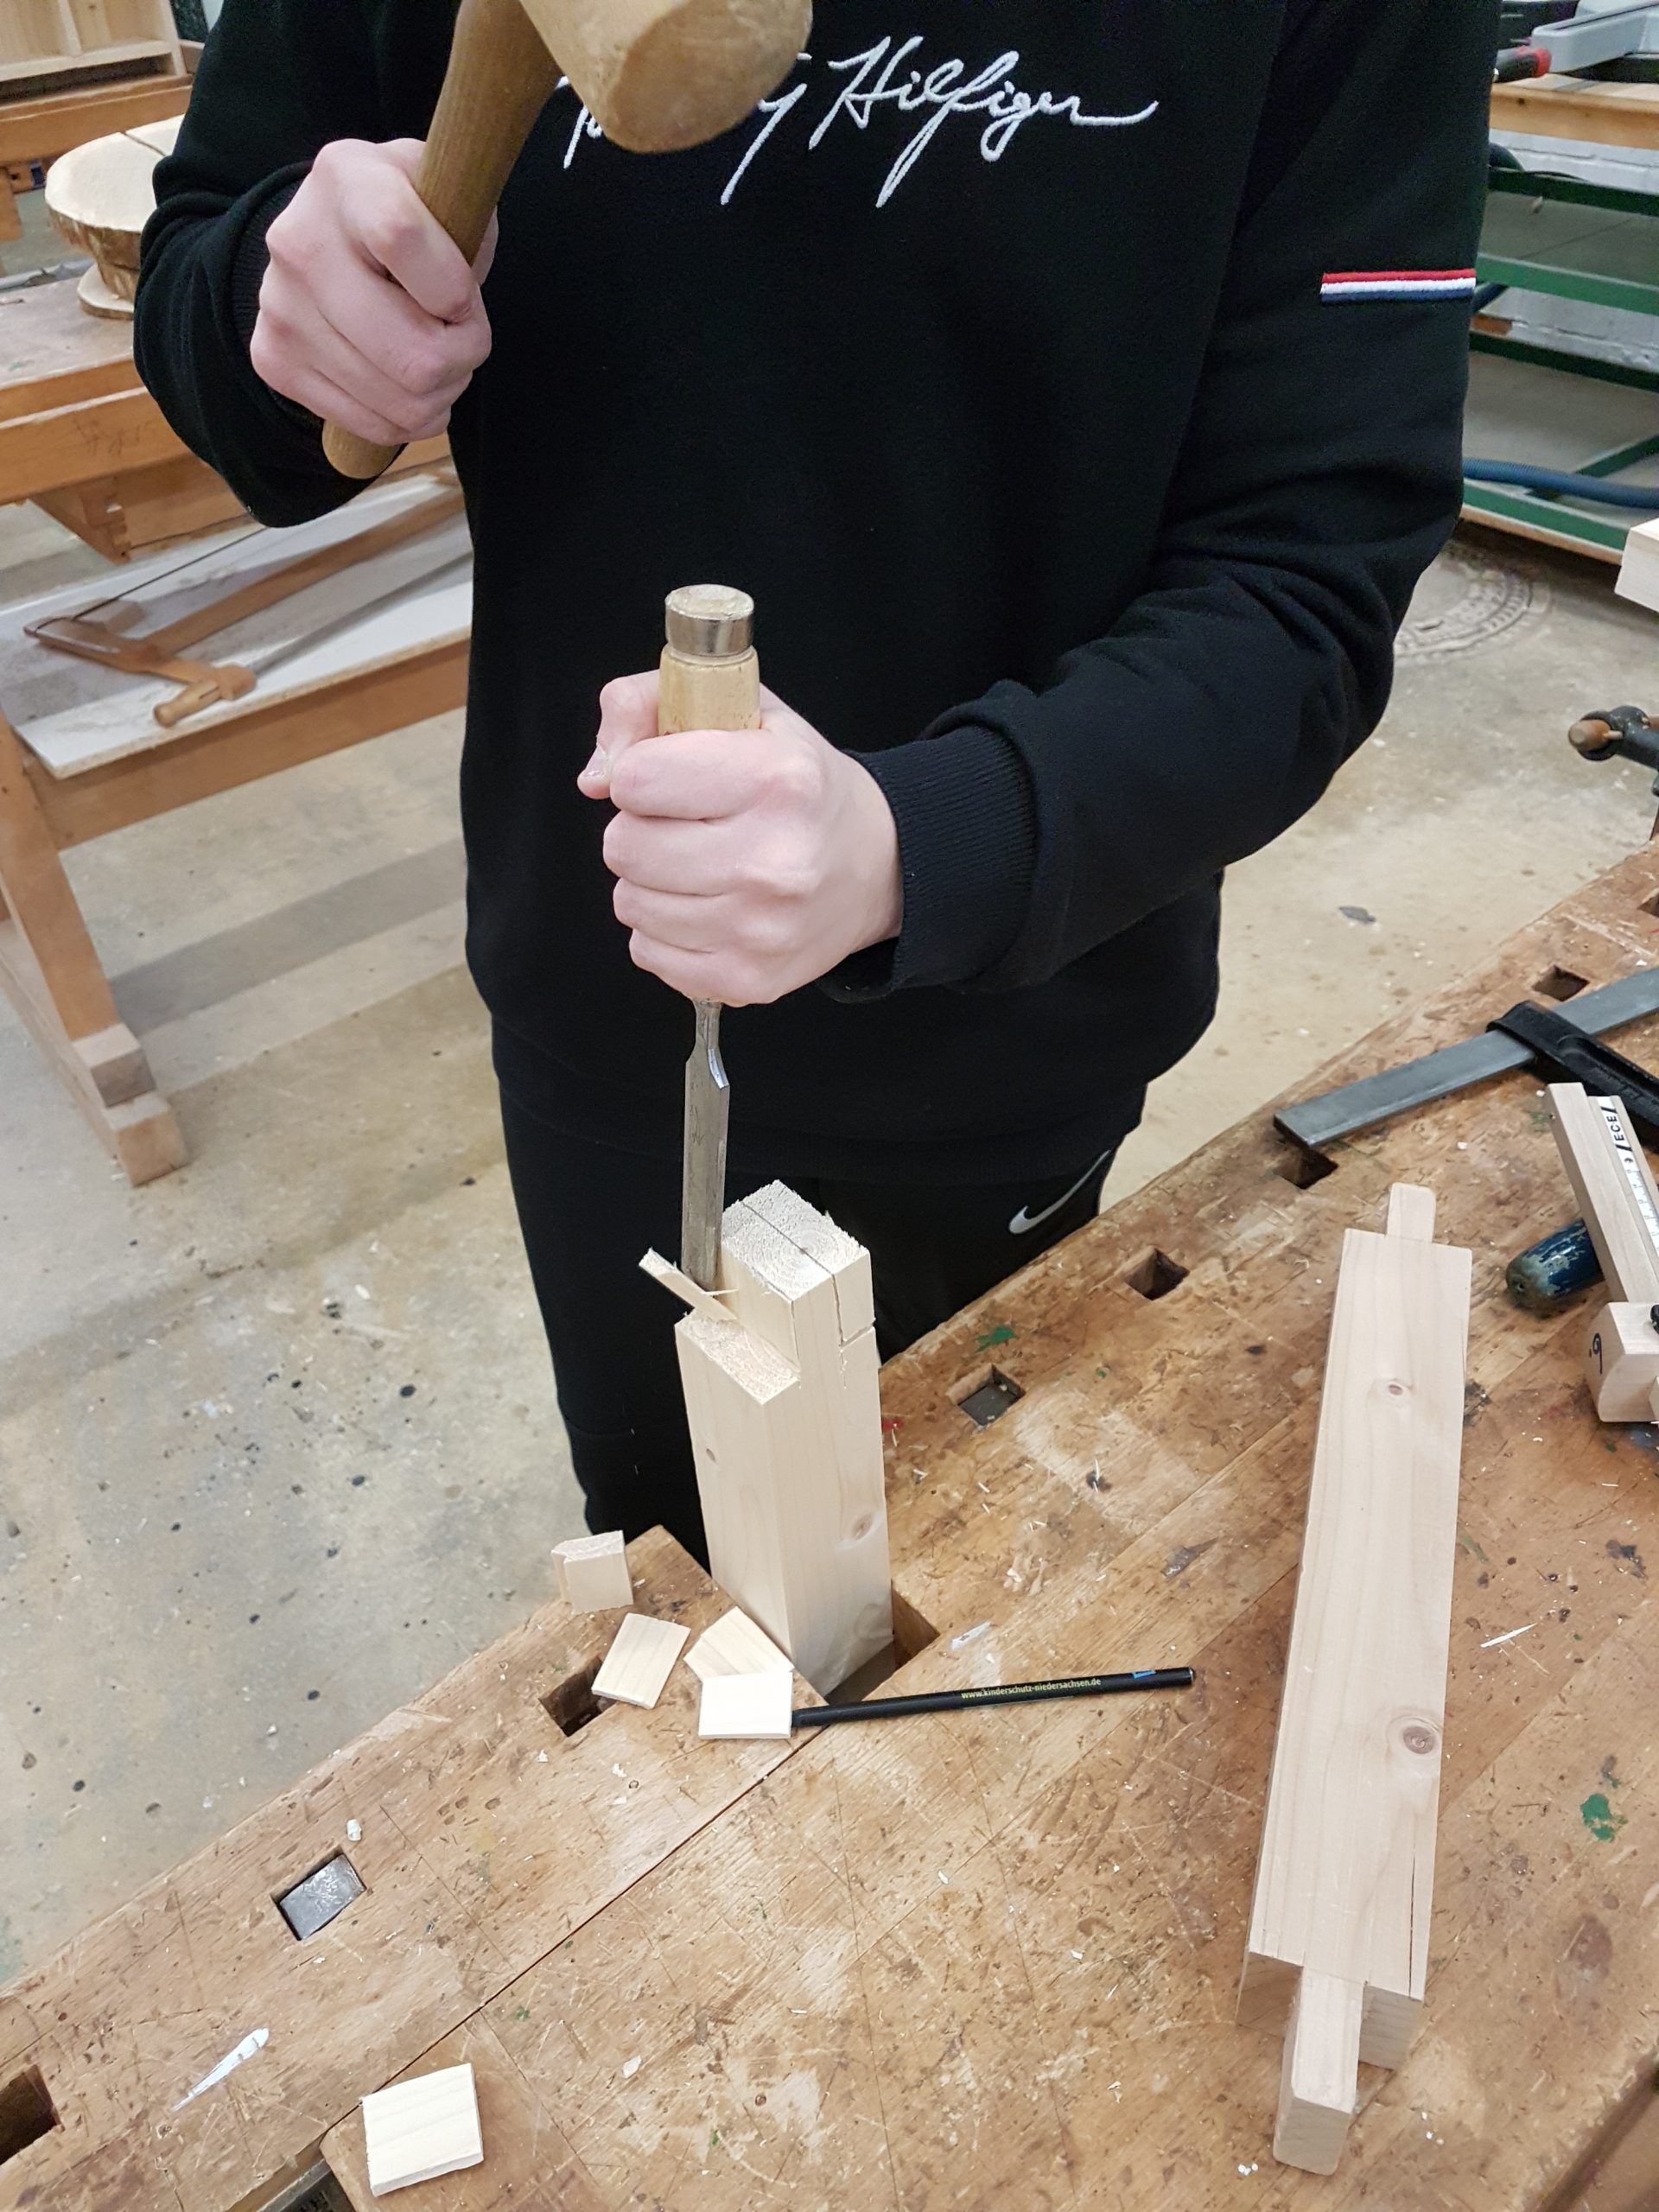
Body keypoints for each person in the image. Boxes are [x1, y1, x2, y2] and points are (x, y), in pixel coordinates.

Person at [136, 0, 1492, 1561]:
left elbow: (1305, 576)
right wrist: (284, 312)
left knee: (963, 1590)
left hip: (1010, 1022)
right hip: (603, 998)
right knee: (677, 1587)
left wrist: (928, 841)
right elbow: (206, 291)